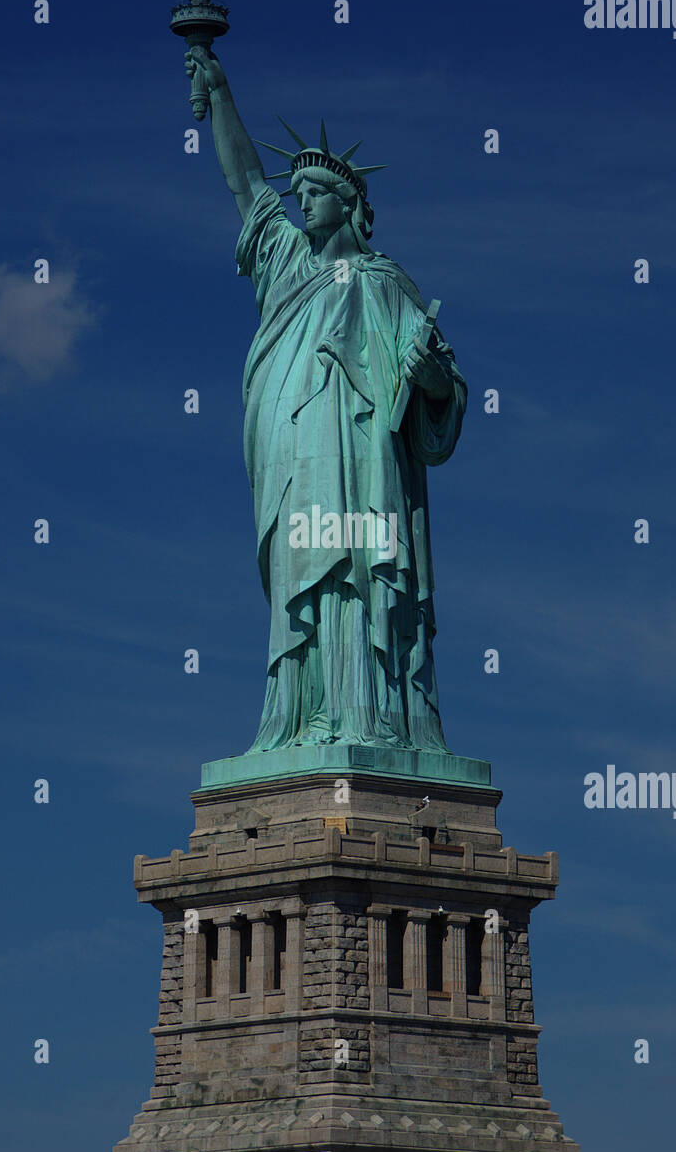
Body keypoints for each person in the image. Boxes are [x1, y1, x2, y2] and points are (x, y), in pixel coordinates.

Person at [188, 47, 467, 752]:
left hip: (364, 460)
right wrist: (218, 89)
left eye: (314, 191)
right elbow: (244, 182)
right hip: (293, 454)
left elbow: (443, 394)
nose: (300, 199)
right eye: (299, 191)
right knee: (304, 580)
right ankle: (297, 720)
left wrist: (430, 376)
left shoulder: (383, 282)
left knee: (359, 577)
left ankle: (369, 717)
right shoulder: (284, 265)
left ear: (349, 204)